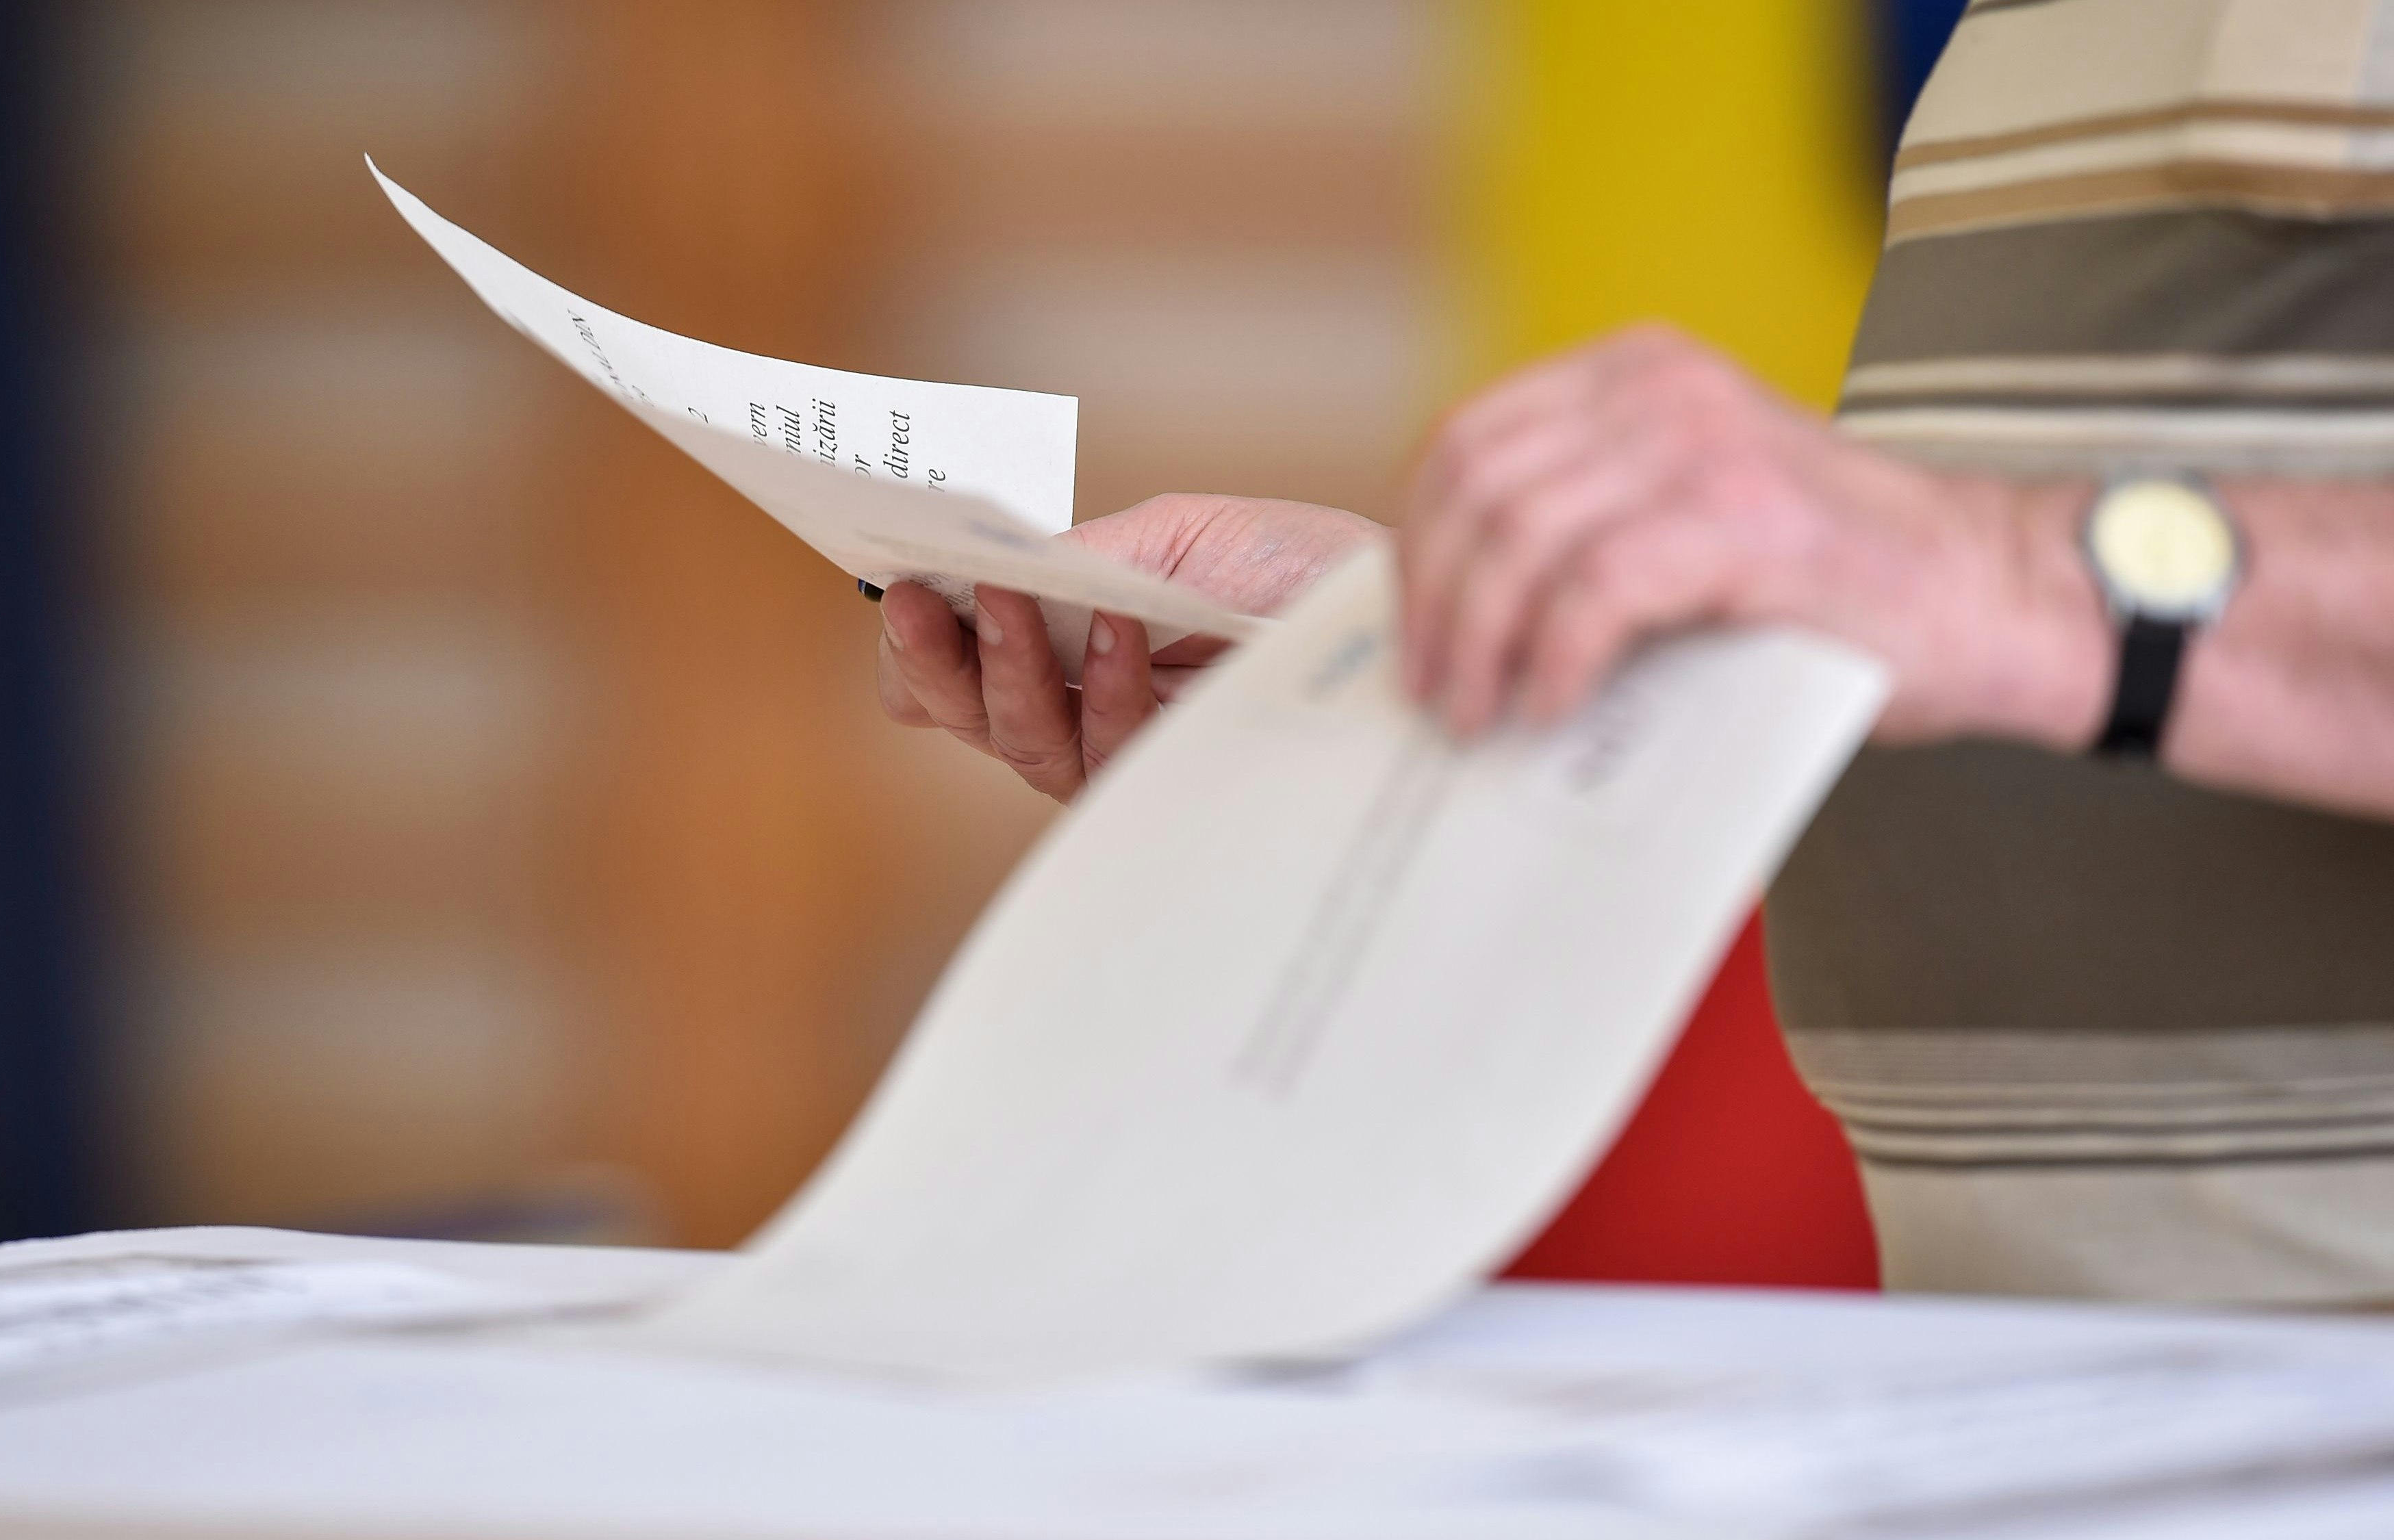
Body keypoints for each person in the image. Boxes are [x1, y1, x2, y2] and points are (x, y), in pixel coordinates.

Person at [875, 0, 2394, 1304]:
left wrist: (1995, 566)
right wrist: (1401, 655)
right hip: (2032, 1368)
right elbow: (2024, 646)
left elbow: (1999, 585)